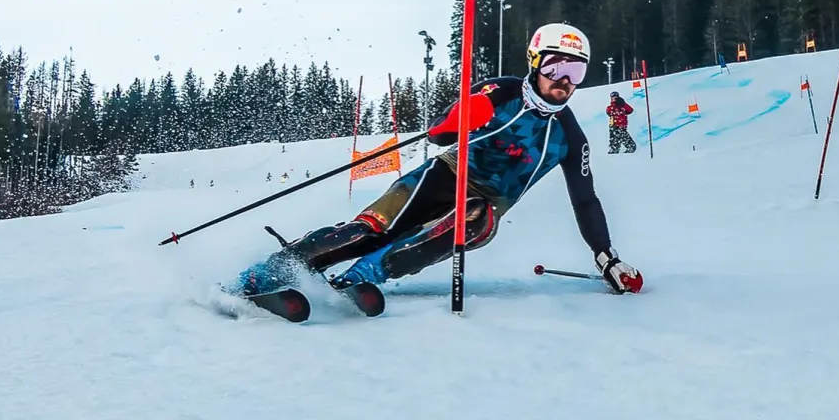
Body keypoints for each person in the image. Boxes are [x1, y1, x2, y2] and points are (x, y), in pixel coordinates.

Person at [239, 23, 643, 297]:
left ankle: (360, 280)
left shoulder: (569, 137)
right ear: (535, 62)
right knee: (369, 231)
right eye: (557, 65)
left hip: (483, 206)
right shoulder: (501, 92)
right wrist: (466, 115)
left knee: (471, 216)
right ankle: (274, 270)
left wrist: (606, 257)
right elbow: (439, 134)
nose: (565, 80)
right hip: (442, 175)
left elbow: (585, 200)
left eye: (576, 70)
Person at [606, 91, 637, 155]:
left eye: (615, 97)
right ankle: (614, 150)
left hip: (621, 125)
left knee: (623, 136)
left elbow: (630, 110)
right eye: (612, 97)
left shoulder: (623, 105)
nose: (614, 99)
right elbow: (609, 112)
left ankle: (630, 148)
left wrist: (623, 103)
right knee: (614, 138)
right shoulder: (610, 107)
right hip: (613, 125)